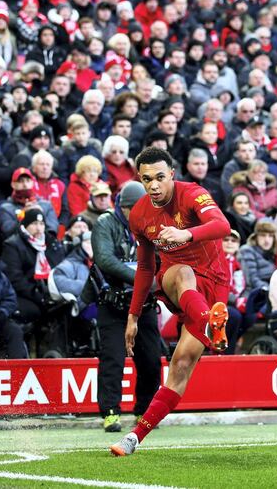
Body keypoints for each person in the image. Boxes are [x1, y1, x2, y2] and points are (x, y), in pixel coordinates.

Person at [110, 147, 231, 456]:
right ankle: (210, 323)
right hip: (179, 282)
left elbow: (223, 227)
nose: (153, 185)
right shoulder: (138, 214)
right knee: (181, 272)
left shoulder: (192, 194)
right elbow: (147, 267)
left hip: (214, 285)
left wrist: (186, 235)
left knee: (181, 364)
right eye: (147, 179)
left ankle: (134, 437)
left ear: (172, 175)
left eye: (160, 178)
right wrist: (133, 316)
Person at [92, 181, 161, 433]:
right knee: (113, 360)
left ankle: (144, 411)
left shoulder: (151, 222)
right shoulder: (105, 223)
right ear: (126, 207)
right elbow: (105, 259)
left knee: (152, 360)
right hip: (114, 302)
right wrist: (142, 278)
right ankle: (110, 413)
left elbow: (162, 255)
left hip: (144, 303)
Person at [0, 208, 66, 324]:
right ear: (25, 226)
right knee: (35, 311)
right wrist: (39, 296)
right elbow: (15, 279)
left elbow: (61, 268)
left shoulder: (51, 243)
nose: (39, 228)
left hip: (49, 291)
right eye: (34, 224)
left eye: (41, 224)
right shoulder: (13, 245)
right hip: (25, 294)